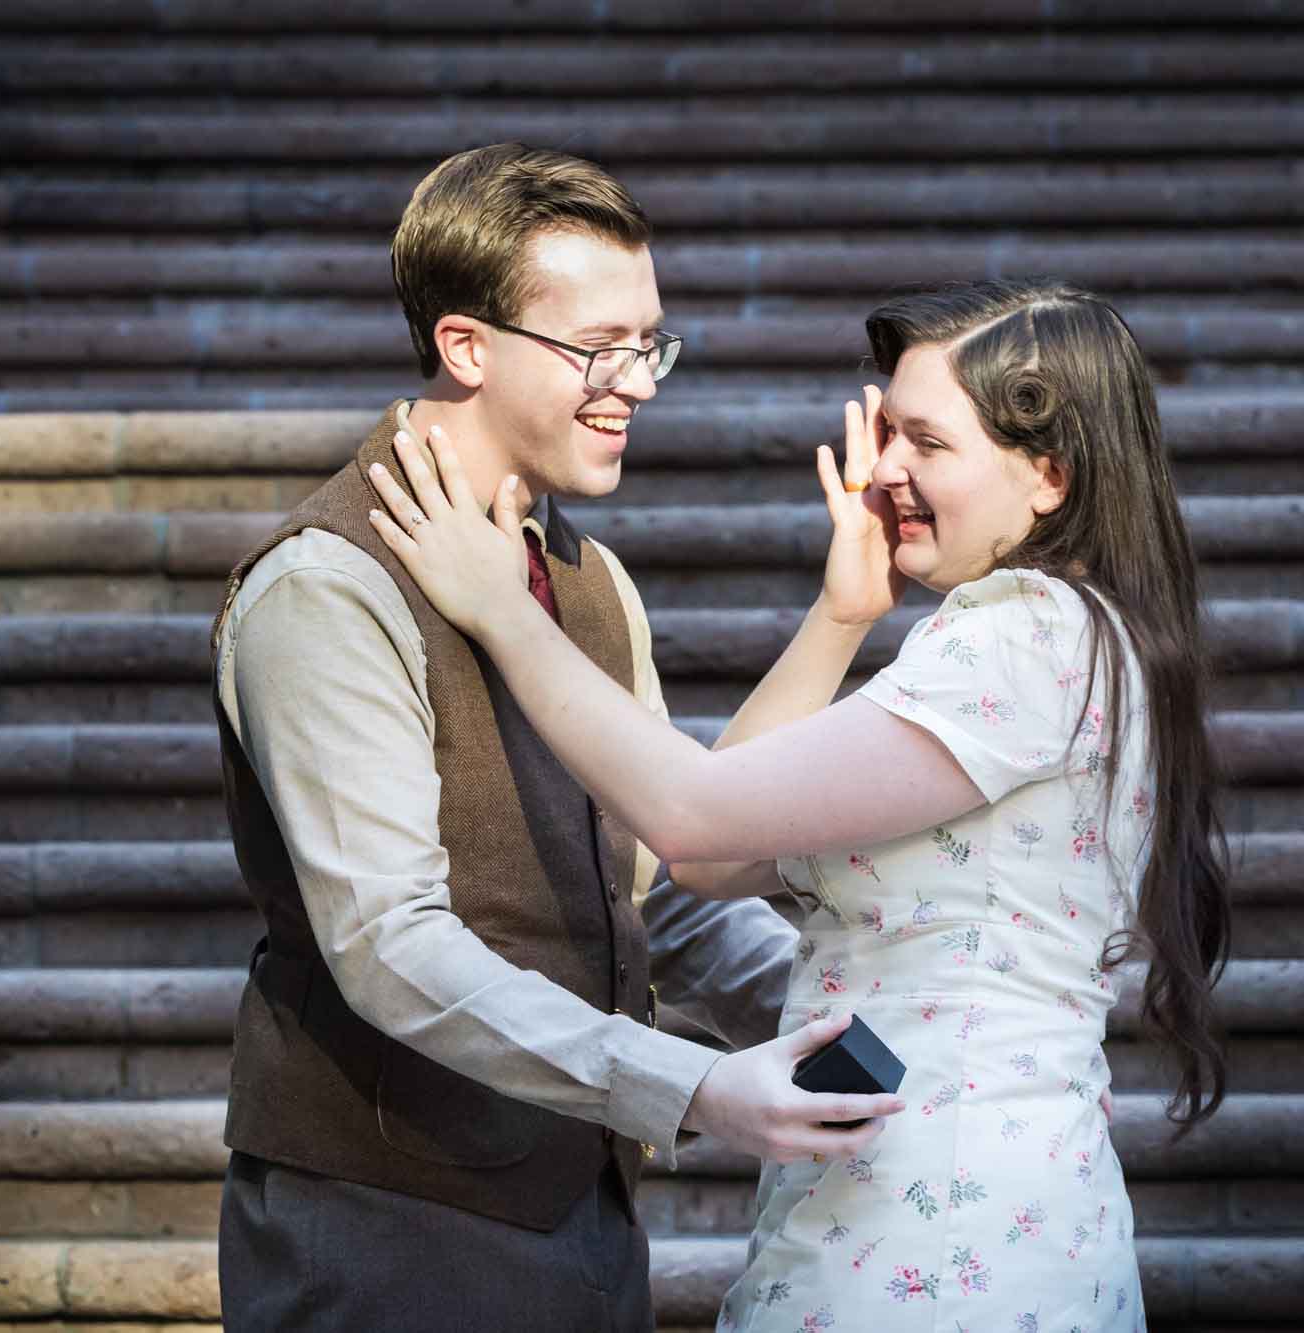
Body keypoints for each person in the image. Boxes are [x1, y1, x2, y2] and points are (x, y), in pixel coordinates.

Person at [367, 278, 1233, 1331]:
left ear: (1046, 475)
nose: (886, 471)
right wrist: (839, 615)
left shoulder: (1018, 635)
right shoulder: (1076, 638)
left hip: (937, 1244)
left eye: (926, 440)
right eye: (887, 430)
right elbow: (713, 860)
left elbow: (687, 816)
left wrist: (504, 611)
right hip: (970, 1212)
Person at [210, 142, 905, 1333]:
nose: (633, 380)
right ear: (464, 346)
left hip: (580, 1212)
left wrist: (861, 1030)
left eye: (648, 343)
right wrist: (689, 1085)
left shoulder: (588, 577)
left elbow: (647, 888)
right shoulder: (324, 586)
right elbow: (386, 942)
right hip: (386, 1227)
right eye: (596, 348)